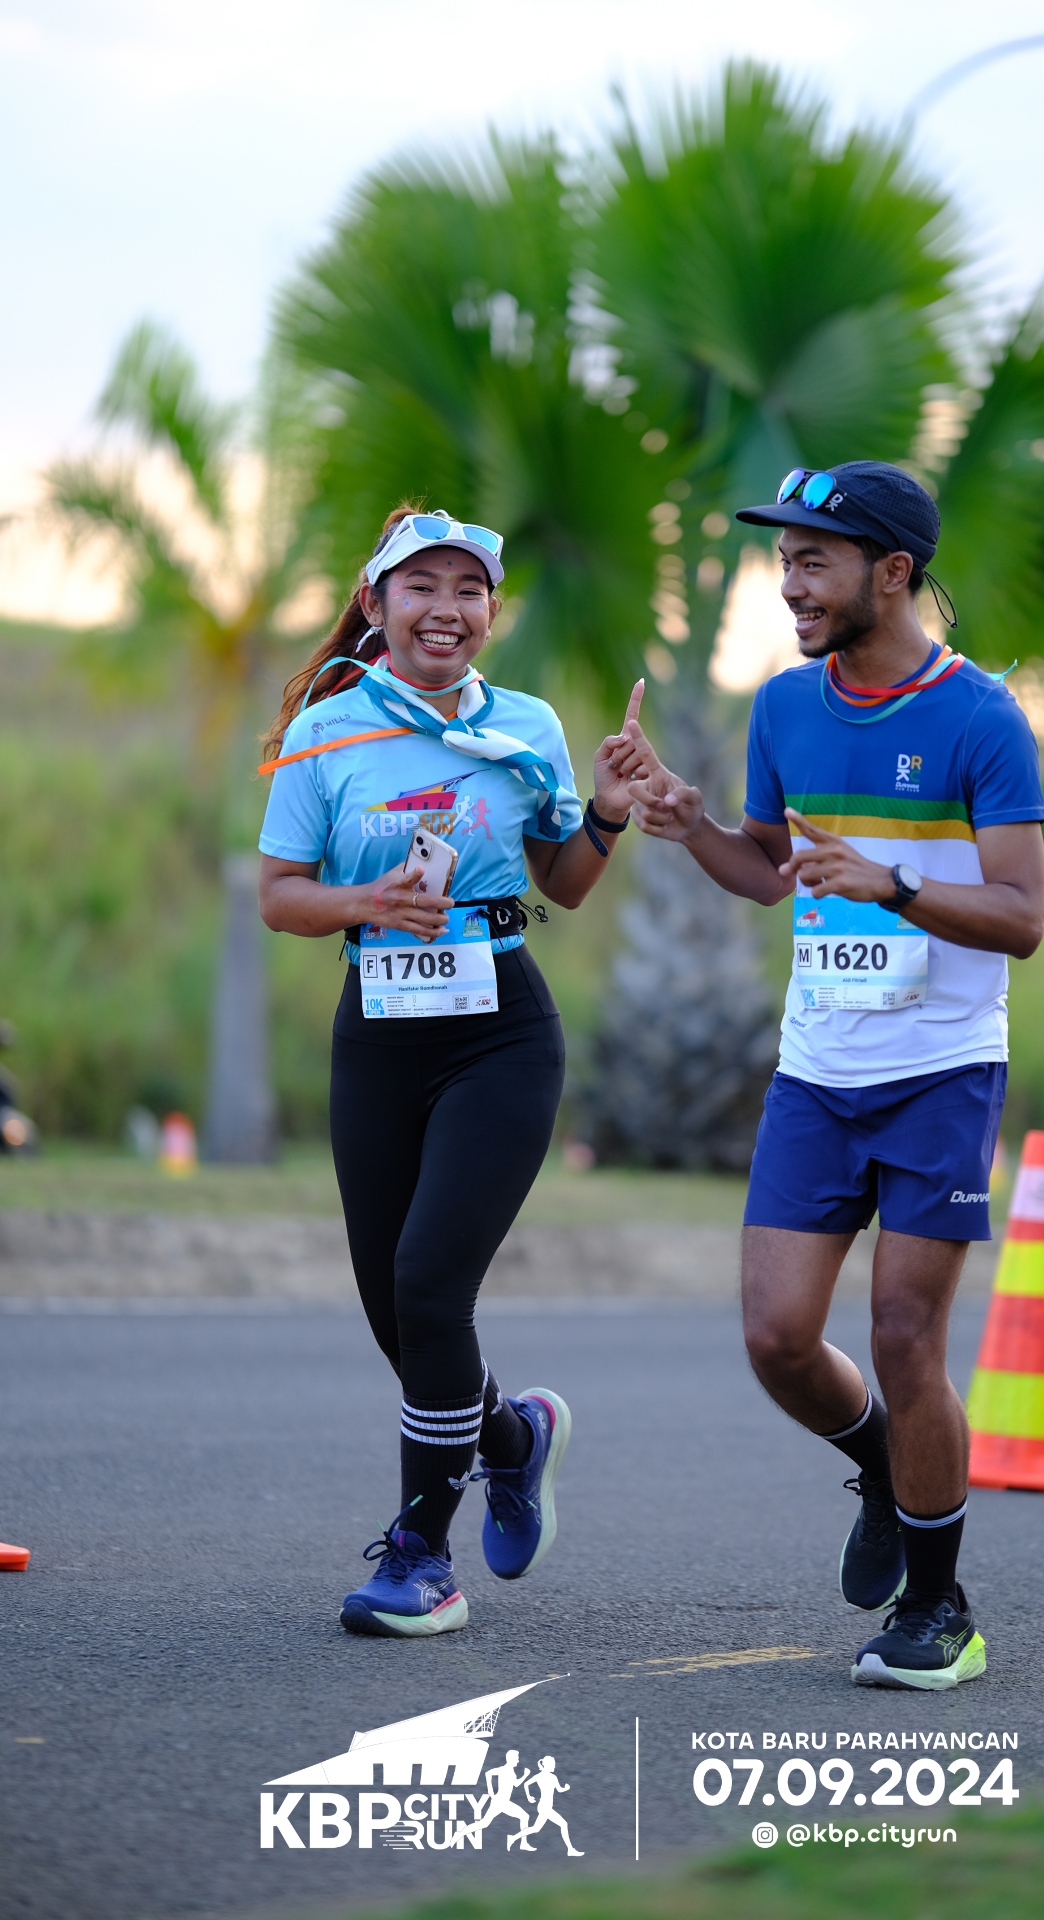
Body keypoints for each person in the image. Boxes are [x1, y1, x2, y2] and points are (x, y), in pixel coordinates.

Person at [629, 462, 1044, 1690]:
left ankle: (937, 1607)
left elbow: (1022, 917)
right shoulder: (782, 707)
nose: (790, 584)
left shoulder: (979, 719)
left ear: (892, 571)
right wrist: (688, 826)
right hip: (815, 1073)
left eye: (813, 560)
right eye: (784, 560)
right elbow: (769, 871)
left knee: (904, 1336)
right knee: (775, 1338)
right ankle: (879, 1461)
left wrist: (895, 884)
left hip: (940, 1071)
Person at [258, 505, 654, 1637]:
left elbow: (563, 880)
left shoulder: (526, 724)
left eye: (468, 590)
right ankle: (513, 1438)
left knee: (432, 1288)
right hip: (378, 1029)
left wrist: (608, 814)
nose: (446, 609)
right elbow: (280, 896)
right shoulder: (324, 732)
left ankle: (421, 1558)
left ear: (491, 611)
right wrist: (366, 901)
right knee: (396, 1309)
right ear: (376, 605)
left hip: (499, 1033)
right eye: (421, 587)